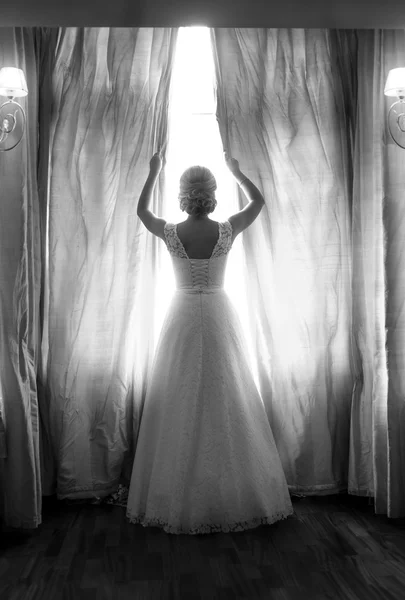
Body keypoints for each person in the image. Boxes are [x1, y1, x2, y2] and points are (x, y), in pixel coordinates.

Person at [126, 150, 294, 534]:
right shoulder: (227, 228)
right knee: (226, 396)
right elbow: (259, 202)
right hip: (218, 313)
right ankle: (229, 490)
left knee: (180, 397)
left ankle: (178, 492)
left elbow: (141, 213)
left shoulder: (170, 231)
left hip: (182, 315)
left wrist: (153, 172)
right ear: (211, 193)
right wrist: (238, 171)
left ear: (183, 195)